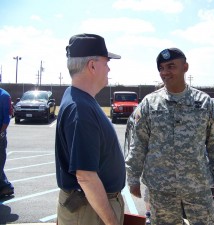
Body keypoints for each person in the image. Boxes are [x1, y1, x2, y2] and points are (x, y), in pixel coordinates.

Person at [126, 48, 214, 225]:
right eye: (161, 68)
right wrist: (133, 179)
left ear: (185, 67)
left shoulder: (204, 102)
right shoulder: (149, 104)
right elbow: (139, 144)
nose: (165, 72)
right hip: (161, 187)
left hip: (197, 185)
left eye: (171, 66)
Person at [55, 33, 126, 225]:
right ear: (92, 66)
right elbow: (86, 177)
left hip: (91, 207)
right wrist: (111, 221)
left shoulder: (79, 98)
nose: (109, 68)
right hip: (90, 211)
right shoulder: (81, 109)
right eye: (106, 62)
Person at [0, 88, 14, 199]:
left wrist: (1, 132)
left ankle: (6, 186)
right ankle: (5, 186)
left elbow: (7, 118)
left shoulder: (4, 96)